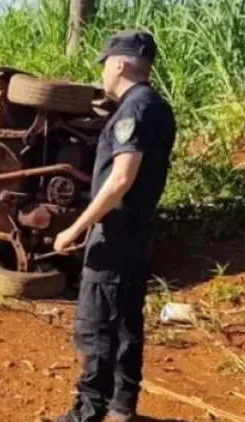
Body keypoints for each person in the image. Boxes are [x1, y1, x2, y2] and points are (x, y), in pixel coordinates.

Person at [52, 30, 177, 422]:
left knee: (96, 326)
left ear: (120, 63)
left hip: (117, 232)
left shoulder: (133, 110)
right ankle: (123, 408)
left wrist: (77, 228)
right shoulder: (156, 106)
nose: (103, 73)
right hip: (137, 231)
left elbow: (122, 177)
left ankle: (87, 413)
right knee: (125, 323)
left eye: (105, 64)